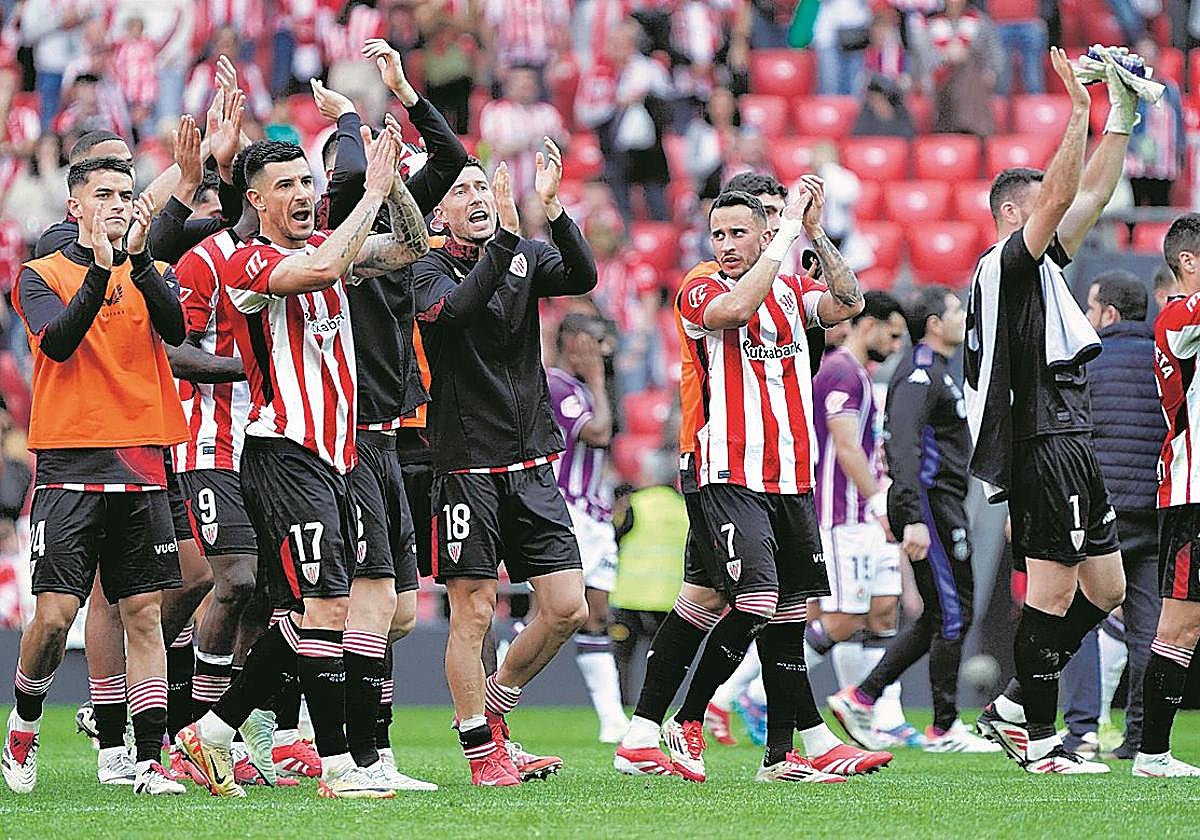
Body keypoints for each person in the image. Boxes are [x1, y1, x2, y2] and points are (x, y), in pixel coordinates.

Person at [175, 133, 428, 800]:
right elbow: (315, 273)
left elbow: (411, 248)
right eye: (285, 187)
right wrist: (369, 194)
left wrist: (392, 180)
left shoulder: (329, 253)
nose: (302, 196)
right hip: (282, 451)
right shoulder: (250, 265)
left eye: (307, 183)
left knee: (317, 613)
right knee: (328, 603)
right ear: (255, 201)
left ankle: (215, 730)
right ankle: (341, 766)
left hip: (334, 457)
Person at [617, 173, 887, 779]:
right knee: (757, 600)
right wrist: (784, 234)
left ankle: (781, 750)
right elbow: (735, 309)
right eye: (719, 233)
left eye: (740, 231)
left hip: (789, 474)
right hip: (726, 469)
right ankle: (691, 716)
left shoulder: (790, 290)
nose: (726, 243)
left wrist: (813, 230)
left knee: (767, 611)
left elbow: (849, 302)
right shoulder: (700, 286)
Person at [966, 48, 1134, 774]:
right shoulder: (1005, 259)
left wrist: (1122, 115)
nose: (1055, 212)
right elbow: (1065, 196)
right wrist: (1077, 110)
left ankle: (1010, 706)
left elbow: (1088, 195)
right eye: (1040, 204)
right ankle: (1037, 740)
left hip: (1070, 431)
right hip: (1040, 434)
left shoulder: (1033, 268)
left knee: (1109, 588)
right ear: (1013, 213)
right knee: (1056, 592)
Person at [411, 140, 597, 787]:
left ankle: (496, 706)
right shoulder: (428, 273)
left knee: (568, 606)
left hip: (532, 464)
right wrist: (505, 245)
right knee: (474, 611)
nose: (477, 198)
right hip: (466, 469)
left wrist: (555, 209)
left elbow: (583, 276)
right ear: (437, 217)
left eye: (481, 187)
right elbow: (460, 312)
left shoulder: (522, 255)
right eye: (459, 192)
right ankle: (481, 752)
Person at [3, 156, 187, 796]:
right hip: (70, 461)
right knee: (54, 617)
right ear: (75, 207)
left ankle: (146, 761)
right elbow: (56, 343)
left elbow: (177, 327)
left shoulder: (147, 268)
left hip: (140, 459)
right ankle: (24, 726)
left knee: (144, 613)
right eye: (103, 194)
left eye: (125, 194)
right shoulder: (38, 275)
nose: (117, 203)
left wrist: (131, 261)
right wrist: (104, 269)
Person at [317, 40, 469, 791]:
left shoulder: (398, 227)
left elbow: (448, 155)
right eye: (386, 164)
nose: (402, 168)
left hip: (394, 436)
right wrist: (350, 121)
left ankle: (256, 721)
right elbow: (350, 177)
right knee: (366, 602)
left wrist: (406, 93)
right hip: (350, 435)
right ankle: (356, 756)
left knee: (400, 611)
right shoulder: (343, 239)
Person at [828, 287, 999, 754]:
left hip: (943, 505)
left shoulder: (939, 370)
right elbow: (902, 446)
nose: (964, 317)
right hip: (930, 508)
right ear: (935, 324)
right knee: (952, 613)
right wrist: (912, 516)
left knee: (943, 614)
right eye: (956, 311)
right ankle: (944, 726)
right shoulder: (920, 372)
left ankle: (862, 695)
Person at [808, 292, 920, 750]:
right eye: (892, 335)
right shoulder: (839, 370)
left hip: (863, 516)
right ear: (868, 324)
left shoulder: (860, 375)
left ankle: (870, 712)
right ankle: (752, 694)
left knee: (880, 611)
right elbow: (846, 447)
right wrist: (878, 502)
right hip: (839, 516)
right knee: (842, 617)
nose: (896, 347)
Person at [1071, 270, 1164, 761]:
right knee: (1147, 629)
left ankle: (1082, 732)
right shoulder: (1166, 359)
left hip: (1101, 509)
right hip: (1155, 510)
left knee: (1081, 614)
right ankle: (1141, 738)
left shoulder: (1088, 360)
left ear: (1108, 313)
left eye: (1090, 307)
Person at [1138, 213, 1200, 777]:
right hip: (1192, 492)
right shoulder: (1178, 315)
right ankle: (1152, 753)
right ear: (1187, 262)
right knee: (1179, 625)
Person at [547, 313, 628, 744]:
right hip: (570, 510)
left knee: (595, 615)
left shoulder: (582, 388)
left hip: (594, 514)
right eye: (597, 342)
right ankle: (497, 682)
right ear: (576, 341)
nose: (604, 351)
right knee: (559, 611)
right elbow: (597, 433)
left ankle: (613, 719)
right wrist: (597, 378)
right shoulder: (558, 385)